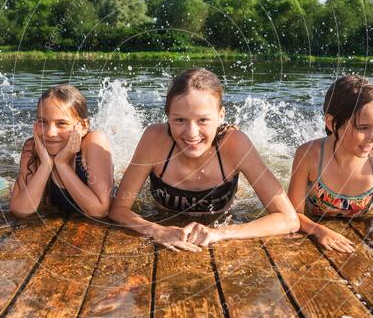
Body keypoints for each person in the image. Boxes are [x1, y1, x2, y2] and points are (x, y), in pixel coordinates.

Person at [110, 68, 299, 251]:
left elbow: (288, 219)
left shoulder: (235, 144)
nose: (192, 134)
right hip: (161, 215)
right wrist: (155, 229)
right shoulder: (154, 139)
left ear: (220, 116)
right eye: (180, 120)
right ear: (167, 117)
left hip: (223, 218)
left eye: (203, 120)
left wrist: (221, 233)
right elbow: (119, 209)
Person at [287, 75, 373, 252]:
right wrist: (320, 231)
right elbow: (292, 213)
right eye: (362, 128)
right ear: (331, 123)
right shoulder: (309, 156)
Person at [10, 85, 113, 218]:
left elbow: (100, 211)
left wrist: (62, 163)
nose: (50, 133)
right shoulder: (32, 147)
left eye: (62, 123)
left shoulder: (93, 142)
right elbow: (20, 210)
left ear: (83, 126)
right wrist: (45, 165)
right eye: (43, 122)